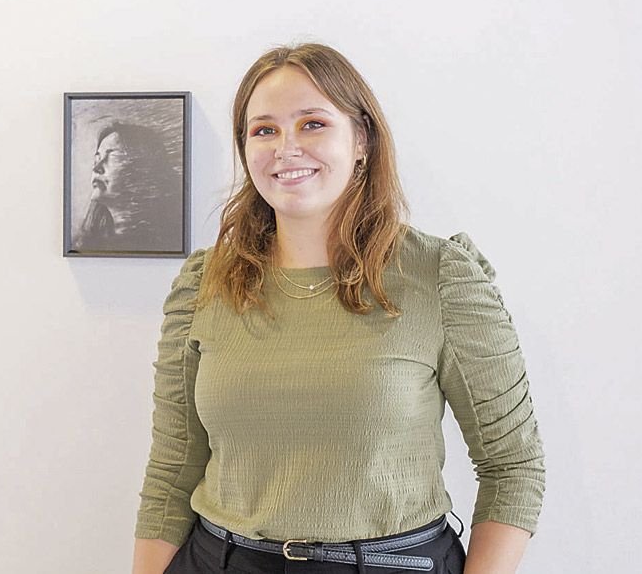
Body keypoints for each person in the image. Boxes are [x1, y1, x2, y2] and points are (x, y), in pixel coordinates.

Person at [131, 43, 545, 574]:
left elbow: (513, 466)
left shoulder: (440, 276)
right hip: (219, 560)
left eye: (312, 124)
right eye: (264, 130)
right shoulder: (203, 283)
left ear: (362, 140)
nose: (286, 148)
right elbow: (172, 470)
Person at [74, 120, 182, 252]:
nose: (97, 168)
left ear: (141, 168)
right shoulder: (87, 244)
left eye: (111, 157)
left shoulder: (162, 242)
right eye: (97, 159)